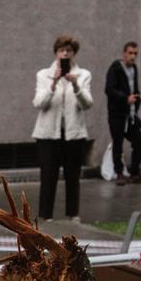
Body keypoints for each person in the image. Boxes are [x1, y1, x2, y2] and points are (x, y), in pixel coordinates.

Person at [31, 33, 95, 221]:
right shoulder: (43, 75)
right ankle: (45, 216)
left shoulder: (83, 75)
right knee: (48, 177)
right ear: (55, 53)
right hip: (48, 135)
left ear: (74, 53)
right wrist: (54, 83)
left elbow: (88, 104)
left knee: (73, 177)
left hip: (74, 135)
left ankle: (73, 214)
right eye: (61, 50)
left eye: (69, 51)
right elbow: (38, 103)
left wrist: (76, 85)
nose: (65, 54)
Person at [104, 41, 141, 184]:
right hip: (117, 114)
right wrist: (125, 98)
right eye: (130, 53)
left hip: (131, 115)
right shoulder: (115, 68)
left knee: (139, 142)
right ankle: (119, 173)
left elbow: (134, 88)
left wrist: (137, 97)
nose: (133, 56)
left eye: (135, 53)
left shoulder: (134, 68)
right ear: (124, 53)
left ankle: (135, 172)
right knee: (118, 143)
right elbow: (109, 89)